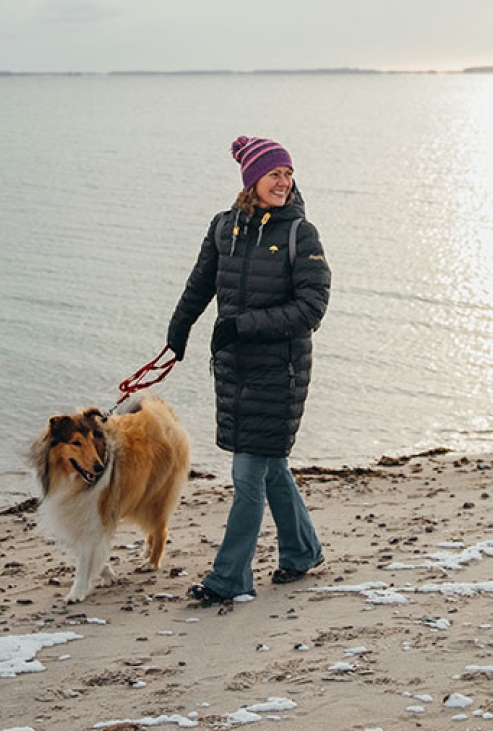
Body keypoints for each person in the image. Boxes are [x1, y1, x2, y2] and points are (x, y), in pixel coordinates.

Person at [165, 135, 331, 606]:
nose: (284, 182)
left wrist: (243, 326)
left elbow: (312, 307)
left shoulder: (301, 234)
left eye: (288, 174)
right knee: (271, 465)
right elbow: (199, 285)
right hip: (235, 369)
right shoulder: (224, 228)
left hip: (281, 371)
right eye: (274, 173)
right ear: (251, 179)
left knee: (247, 475)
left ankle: (230, 578)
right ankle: (302, 551)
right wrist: (178, 332)